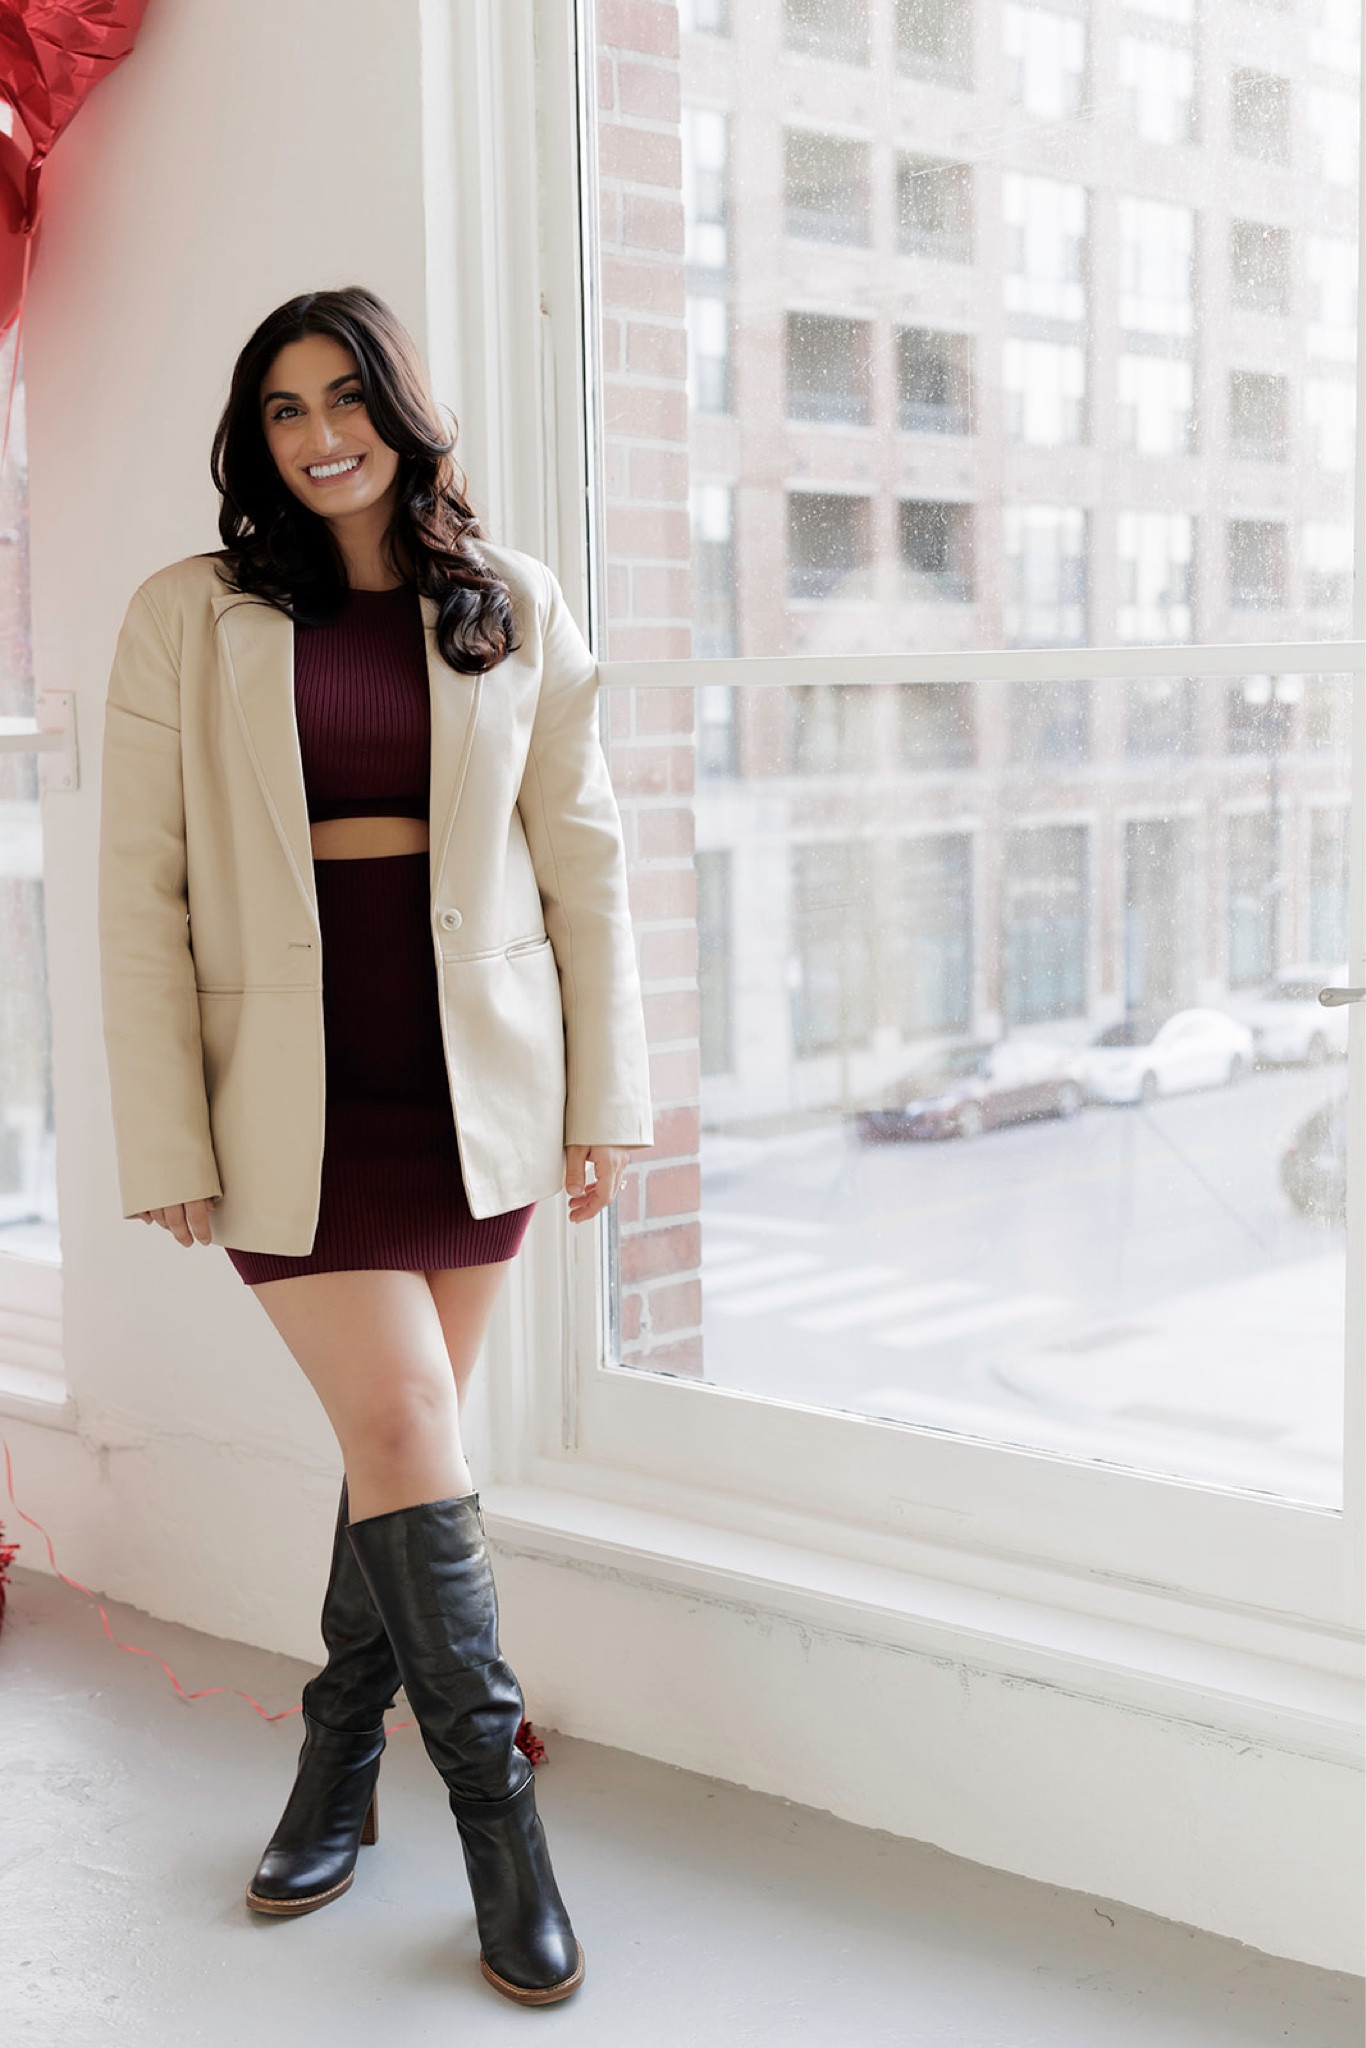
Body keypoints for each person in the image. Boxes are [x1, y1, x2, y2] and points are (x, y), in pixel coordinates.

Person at [97, 286, 653, 2006]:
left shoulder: (513, 604)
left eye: (347, 397)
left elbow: (587, 866)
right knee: (409, 1424)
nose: (320, 431)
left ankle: (336, 1765)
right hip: (287, 1085)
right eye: (283, 409)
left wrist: (600, 1101)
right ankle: (504, 1837)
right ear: (254, 440)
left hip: (469, 1076)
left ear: (405, 414)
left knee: (391, 1453)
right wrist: (162, 1130)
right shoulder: (189, 615)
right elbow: (139, 891)